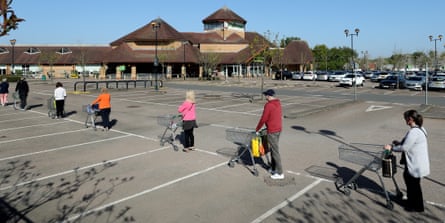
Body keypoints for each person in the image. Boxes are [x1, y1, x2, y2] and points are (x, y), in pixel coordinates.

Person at [384, 109, 430, 212]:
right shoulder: (421, 129)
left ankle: (417, 207)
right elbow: (410, 143)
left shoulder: (413, 132)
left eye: (405, 118)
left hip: (415, 164)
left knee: (413, 185)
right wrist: (399, 142)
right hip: (418, 163)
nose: (405, 120)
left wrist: (391, 148)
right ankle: (412, 202)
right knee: (412, 183)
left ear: (410, 119)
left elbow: (405, 148)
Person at [256, 89, 284, 180]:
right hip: (278, 129)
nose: (265, 97)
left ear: (268, 96)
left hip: (272, 130)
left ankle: (280, 173)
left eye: (266, 96)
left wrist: (257, 129)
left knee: (275, 151)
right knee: (273, 149)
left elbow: (263, 118)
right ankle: (273, 168)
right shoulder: (278, 103)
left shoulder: (268, 105)